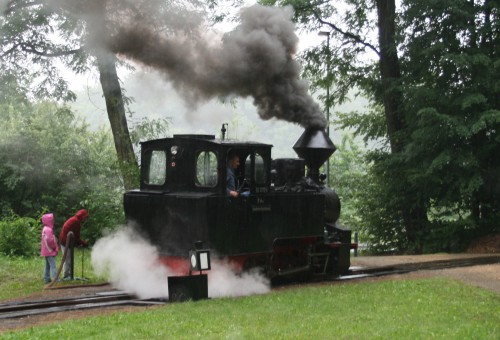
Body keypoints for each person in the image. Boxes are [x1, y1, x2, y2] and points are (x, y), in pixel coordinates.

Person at [59, 209, 89, 279]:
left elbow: (75, 237)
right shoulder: (76, 222)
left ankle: (68, 274)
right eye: (85, 217)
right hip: (65, 242)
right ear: (82, 216)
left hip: (65, 240)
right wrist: (83, 243)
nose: (85, 219)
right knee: (67, 259)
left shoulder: (75, 220)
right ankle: (66, 275)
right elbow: (77, 237)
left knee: (67, 258)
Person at [41, 213, 59, 284]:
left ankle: (46, 278)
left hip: (46, 251)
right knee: (53, 265)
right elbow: (50, 240)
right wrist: (54, 247)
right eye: (52, 220)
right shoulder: (48, 229)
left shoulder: (45, 228)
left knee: (47, 265)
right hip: (49, 251)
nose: (53, 221)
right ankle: (55, 279)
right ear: (49, 221)